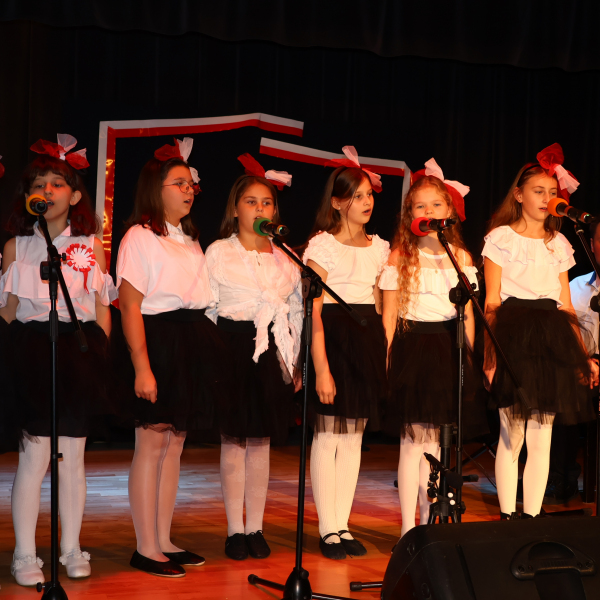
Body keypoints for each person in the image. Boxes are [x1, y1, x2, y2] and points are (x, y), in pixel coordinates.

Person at [0, 135, 116, 586]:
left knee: (73, 456)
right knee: (34, 456)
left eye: (57, 183)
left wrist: (98, 349)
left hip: (76, 350)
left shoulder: (89, 243)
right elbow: (9, 311)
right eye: (39, 184)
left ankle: (70, 547)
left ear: (76, 196)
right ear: (28, 196)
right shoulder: (17, 246)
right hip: (31, 349)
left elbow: (101, 306)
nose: (47, 191)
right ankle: (25, 554)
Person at [114, 138, 222, 577]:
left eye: (190, 183)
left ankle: (163, 538)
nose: (188, 189)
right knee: (152, 443)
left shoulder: (189, 239)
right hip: (158, 341)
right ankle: (144, 546)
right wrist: (142, 366)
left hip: (189, 340)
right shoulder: (139, 237)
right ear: (154, 189)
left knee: (174, 445)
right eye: (179, 183)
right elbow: (130, 305)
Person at [482, 143, 599, 520]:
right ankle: (507, 516)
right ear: (518, 195)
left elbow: (566, 304)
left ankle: (531, 517)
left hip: (552, 338)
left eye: (552, 192)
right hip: (514, 336)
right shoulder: (500, 239)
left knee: (541, 436)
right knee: (511, 434)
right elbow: (492, 301)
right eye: (538, 191)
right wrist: (490, 357)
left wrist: (579, 356)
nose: (547, 198)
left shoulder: (559, 243)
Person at [205, 154, 302, 561]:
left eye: (267, 203)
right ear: (235, 208)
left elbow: (295, 310)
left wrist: (293, 362)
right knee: (234, 440)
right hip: (231, 345)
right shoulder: (218, 252)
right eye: (251, 202)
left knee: (260, 441)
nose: (260, 209)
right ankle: (234, 530)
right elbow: (209, 307)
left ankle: (256, 527)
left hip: (272, 348)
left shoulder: (286, 256)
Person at [380, 160, 478, 536]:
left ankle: (429, 527)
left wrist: (469, 358)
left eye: (436, 205)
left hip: (448, 350)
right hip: (414, 349)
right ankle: (408, 529)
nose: (429, 212)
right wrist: (387, 360)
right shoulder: (400, 257)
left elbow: (467, 317)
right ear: (411, 215)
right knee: (412, 444)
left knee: (436, 447)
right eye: (421, 206)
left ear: (449, 211)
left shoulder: (461, 258)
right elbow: (389, 317)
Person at [303, 146, 389, 559]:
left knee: (353, 436)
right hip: (334, 338)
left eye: (369, 194)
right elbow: (313, 311)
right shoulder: (322, 246)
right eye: (357, 196)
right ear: (337, 203)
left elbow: (380, 303)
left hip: (366, 340)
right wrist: (321, 367)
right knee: (328, 434)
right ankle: (327, 529)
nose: (367, 202)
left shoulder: (380, 247)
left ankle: (343, 524)